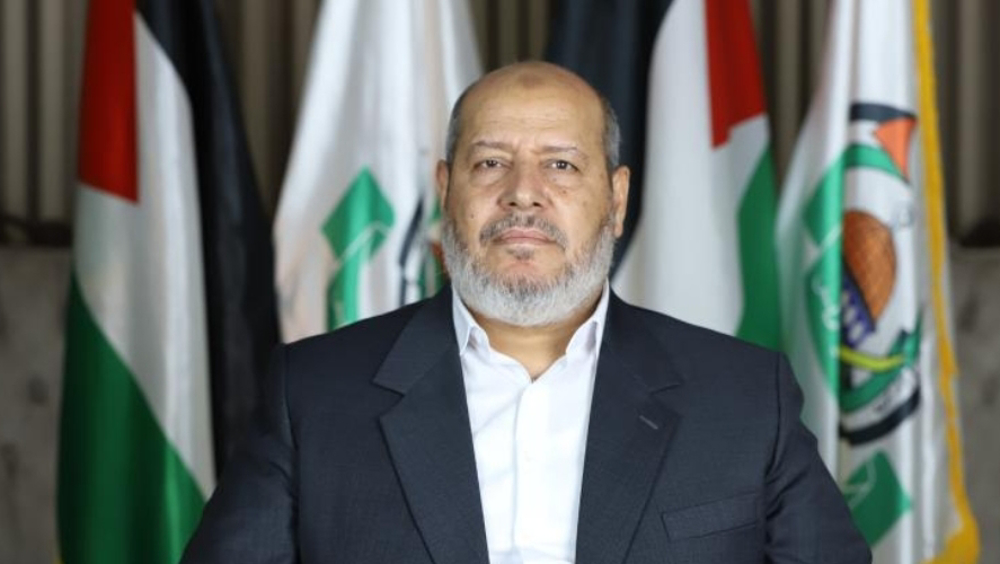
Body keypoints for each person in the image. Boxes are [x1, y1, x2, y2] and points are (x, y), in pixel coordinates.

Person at [182, 61, 870, 564]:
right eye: (489, 163)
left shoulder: (745, 397)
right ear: (447, 189)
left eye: (562, 166)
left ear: (618, 197)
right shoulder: (313, 392)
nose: (523, 195)